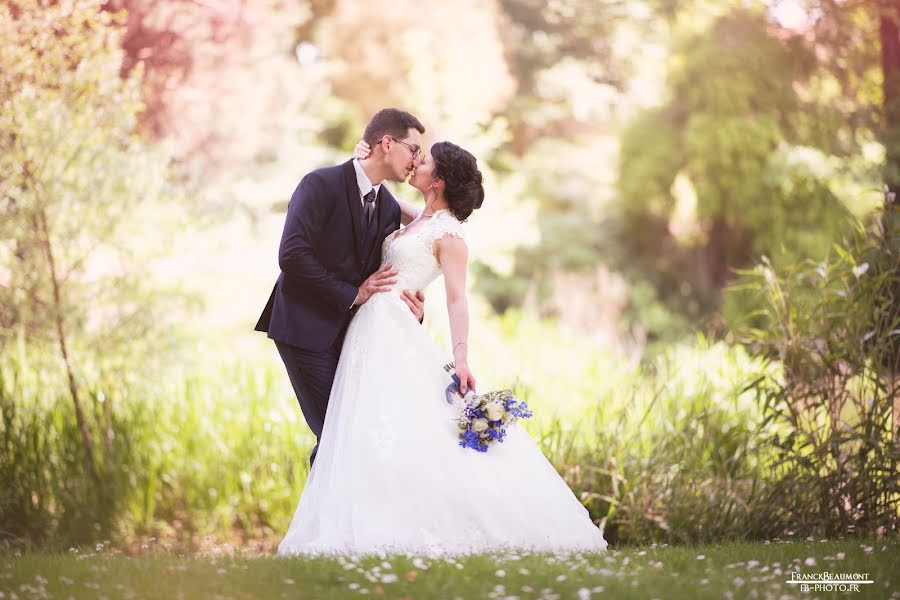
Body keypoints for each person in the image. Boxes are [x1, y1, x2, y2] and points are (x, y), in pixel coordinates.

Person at [277, 139, 608, 556]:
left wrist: (462, 355)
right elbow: (369, 191)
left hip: (392, 331)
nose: (417, 162)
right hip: (369, 328)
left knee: (394, 427)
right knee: (364, 427)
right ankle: (359, 523)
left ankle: (424, 525)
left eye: (425, 159)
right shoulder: (414, 218)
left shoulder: (451, 236)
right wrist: (364, 158)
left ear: (440, 179)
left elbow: (456, 298)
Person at [256, 108, 428, 468]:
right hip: (304, 329)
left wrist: (413, 308)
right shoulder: (319, 184)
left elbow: (384, 273)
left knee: (351, 433)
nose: (417, 160)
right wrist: (353, 294)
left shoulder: (386, 208)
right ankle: (325, 523)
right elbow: (292, 255)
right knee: (340, 435)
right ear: (386, 143)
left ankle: (324, 521)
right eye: (413, 149)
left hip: (351, 337)